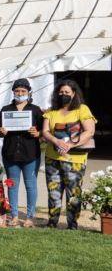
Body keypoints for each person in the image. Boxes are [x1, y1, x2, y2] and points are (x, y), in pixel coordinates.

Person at [41, 79, 96, 230]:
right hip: (53, 157)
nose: (63, 94)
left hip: (75, 159)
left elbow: (89, 131)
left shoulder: (82, 109)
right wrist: (56, 141)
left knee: (73, 192)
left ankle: (72, 223)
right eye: (61, 92)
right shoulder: (52, 110)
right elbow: (45, 131)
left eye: (67, 92)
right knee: (53, 191)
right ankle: (52, 221)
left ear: (74, 94)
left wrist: (69, 144)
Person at [0, 78, 43, 228]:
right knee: (12, 185)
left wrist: (38, 133)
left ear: (28, 92)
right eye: (17, 91)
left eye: (23, 91)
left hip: (30, 154)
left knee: (31, 185)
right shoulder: (6, 109)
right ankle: (15, 216)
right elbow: (0, 132)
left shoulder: (35, 110)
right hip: (10, 153)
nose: (20, 93)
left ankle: (30, 217)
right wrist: (2, 132)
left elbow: (44, 130)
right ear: (13, 92)